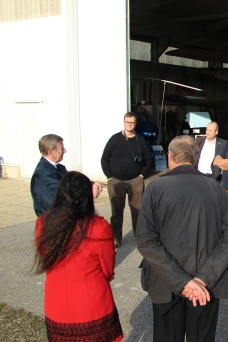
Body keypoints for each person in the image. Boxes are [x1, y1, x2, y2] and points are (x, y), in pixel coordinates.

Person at [136, 135, 228, 342]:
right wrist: (202, 279)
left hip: (165, 279)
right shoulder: (216, 189)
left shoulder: (155, 189)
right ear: (196, 157)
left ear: (170, 157)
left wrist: (183, 282)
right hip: (206, 282)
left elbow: (146, 241)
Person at [34, 171, 123, 342]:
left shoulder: (43, 222)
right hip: (91, 298)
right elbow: (107, 266)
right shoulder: (98, 226)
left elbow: (43, 252)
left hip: (56, 296)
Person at [101, 112, 152, 248]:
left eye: (132, 122)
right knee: (116, 211)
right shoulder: (115, 139)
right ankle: (116, 238)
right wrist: (109, 176)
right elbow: (105, 158)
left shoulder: (140, 140)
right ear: (123, 122)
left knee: (137, 211)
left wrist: (142, 175)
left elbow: (148, 159)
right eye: (127, 122)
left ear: (135, 123)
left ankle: (139, 238)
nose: (129, 124)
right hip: (116, 181)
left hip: (135, 181)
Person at [31, 134, 101, 217]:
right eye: (61, 148)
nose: (65, 151)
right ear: (50, 152)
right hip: (53, 223)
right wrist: (88, 193)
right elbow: (60, 198)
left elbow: (74, 182)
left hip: (62, 219)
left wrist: (90, 185)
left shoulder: (58, 168)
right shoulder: (42, 175)